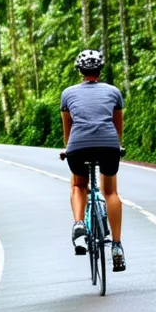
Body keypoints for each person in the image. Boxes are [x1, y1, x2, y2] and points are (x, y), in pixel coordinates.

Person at [61, 49, 126, 272]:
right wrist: (117, 146)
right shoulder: (114, 92)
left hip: (78, 146)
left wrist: (66, 149)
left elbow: (68, 131)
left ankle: (79, 223)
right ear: (100, 70)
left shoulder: (68, 94)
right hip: (108, 145)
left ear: (80, 71)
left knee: (79, 185)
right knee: (111, 193)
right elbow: (117, 128)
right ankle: (117, 246)